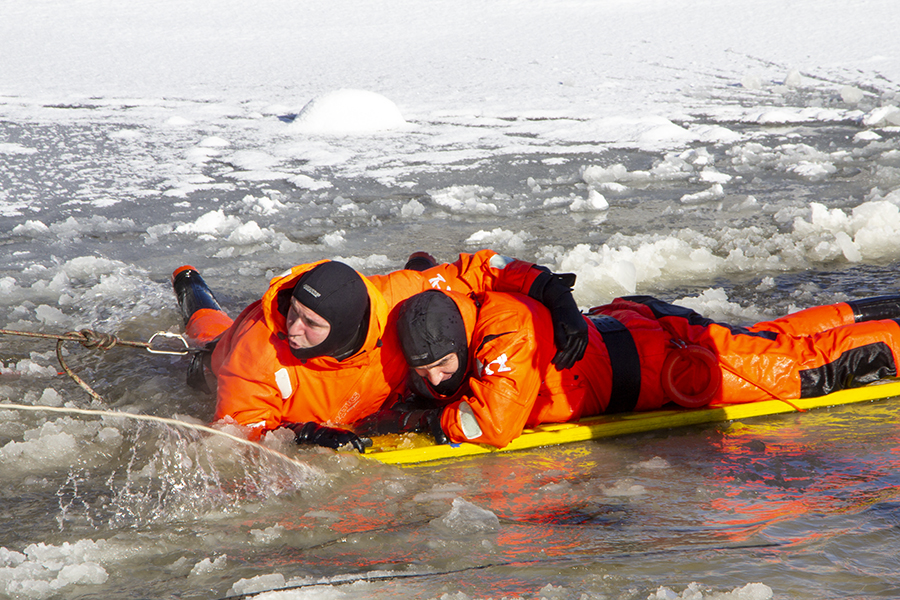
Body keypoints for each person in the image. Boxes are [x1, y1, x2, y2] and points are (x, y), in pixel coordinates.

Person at [358, 288, 900, 448]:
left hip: (667, 363)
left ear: (459, 340)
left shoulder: (507, 331)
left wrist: (424, 421)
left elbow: (493, 426)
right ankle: (873, 308)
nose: (433, 377)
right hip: (632, 331)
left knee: (807, 371)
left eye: (442, 365)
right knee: (767, 341)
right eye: (422, 369)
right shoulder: (458, 319)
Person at [170, 250, 589, 451]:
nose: (293, 329)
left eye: (311, 323)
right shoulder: (259, 356)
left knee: (425, 279)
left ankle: (422, 264)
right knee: (209, 336)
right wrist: (302, 433)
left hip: (364, 387)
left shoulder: (389, 302)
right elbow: (238, 438)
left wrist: (553, 293)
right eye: (294, 313)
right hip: (228, 352)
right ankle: (192, 288)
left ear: (350, 327)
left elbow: (480, 270)